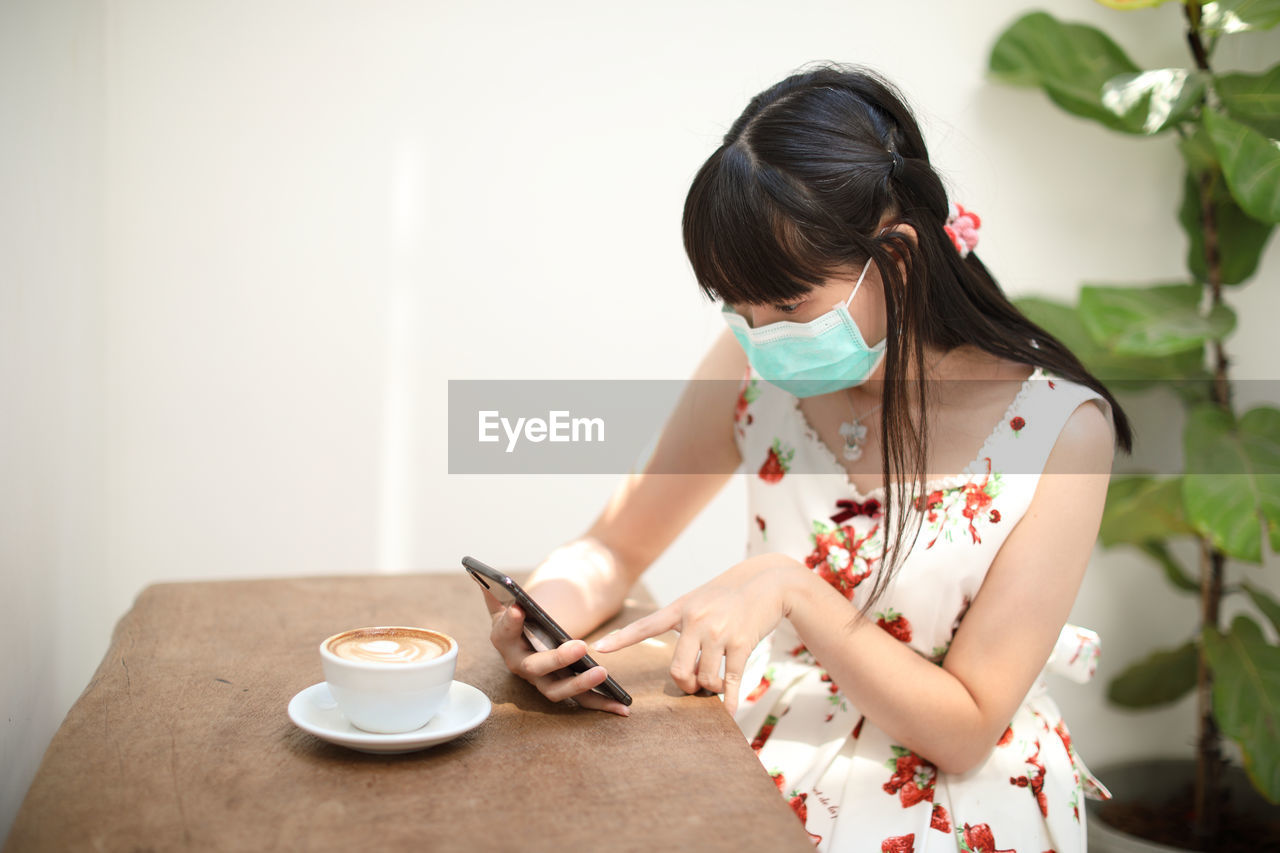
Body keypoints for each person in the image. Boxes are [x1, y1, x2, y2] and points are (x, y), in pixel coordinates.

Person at [484, 64, 1133, 852]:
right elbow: (614, 547)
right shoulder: (748, 360)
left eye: (789, 306)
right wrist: (542, 621)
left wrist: (794, 588)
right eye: (737, 307)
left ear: (895, 258)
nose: (761, 336)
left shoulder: (1063, 431)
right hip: (755, 754)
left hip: (954, 801)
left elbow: (964, 727)